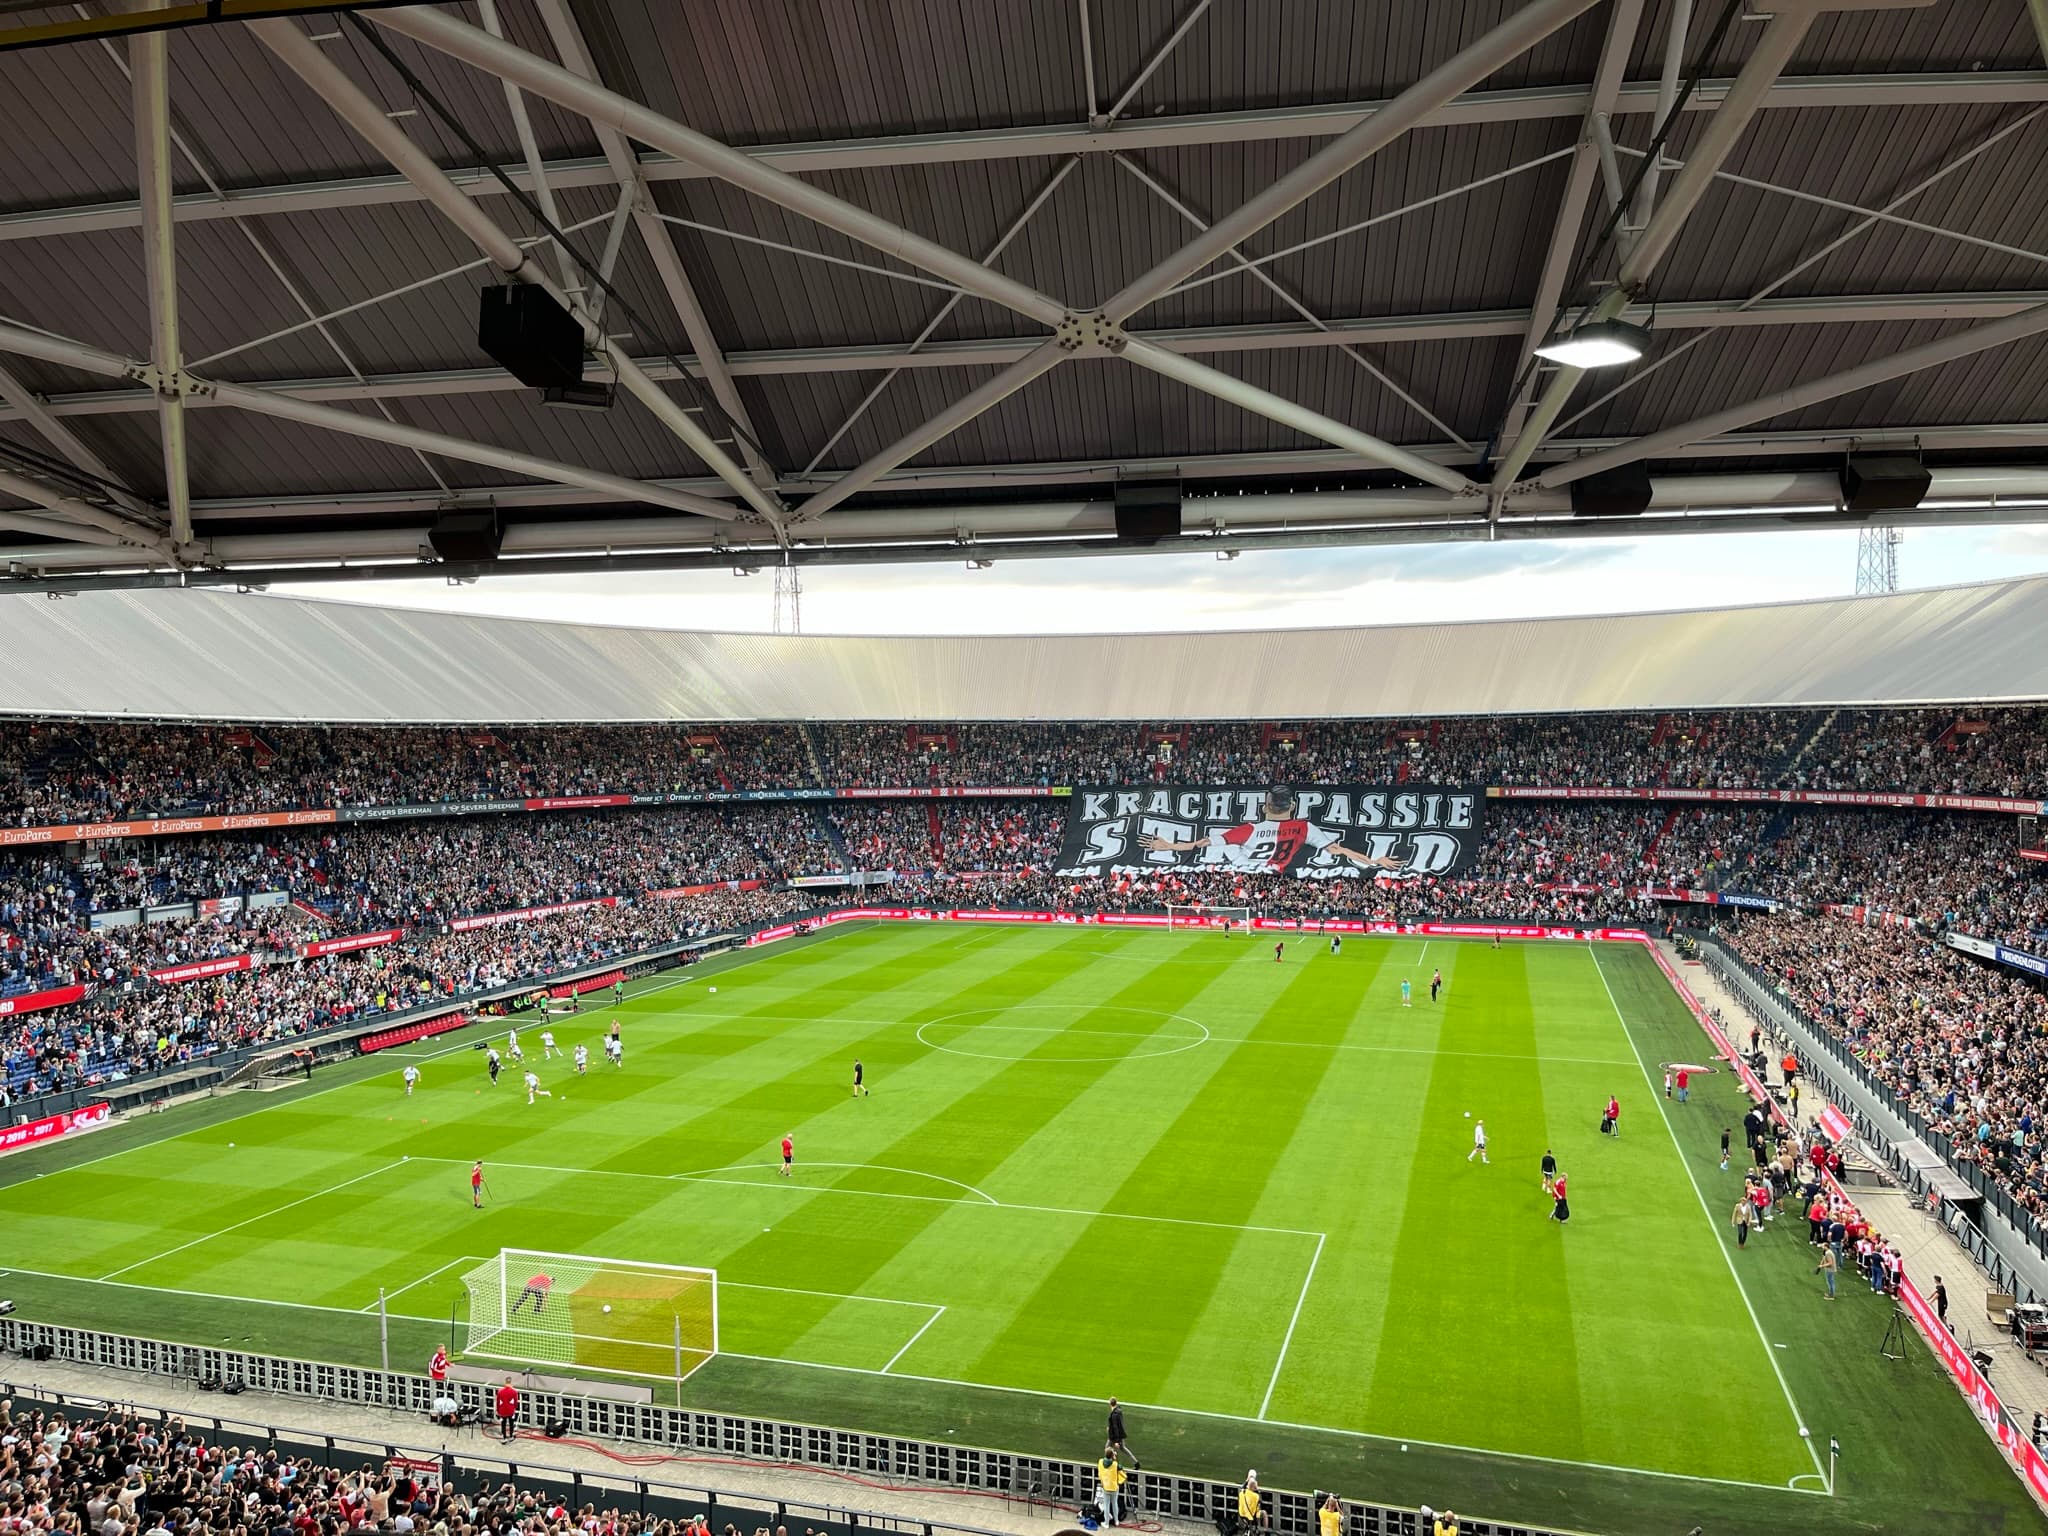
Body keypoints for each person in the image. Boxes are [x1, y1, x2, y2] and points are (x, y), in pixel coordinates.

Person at [1094, 1447, 1126, 1527]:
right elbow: (1120, 1467)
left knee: (1106, 1505)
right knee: (1115, 1504)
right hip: (1114, 1487)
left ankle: (1106, 1523)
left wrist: (1112, 1456)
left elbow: (1101, 1470)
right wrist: (1115, 1458)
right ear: (1112, 1455)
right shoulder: (1115, 1464)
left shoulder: (1100, 1461)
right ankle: (1116, 1521)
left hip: (1105, 1487)